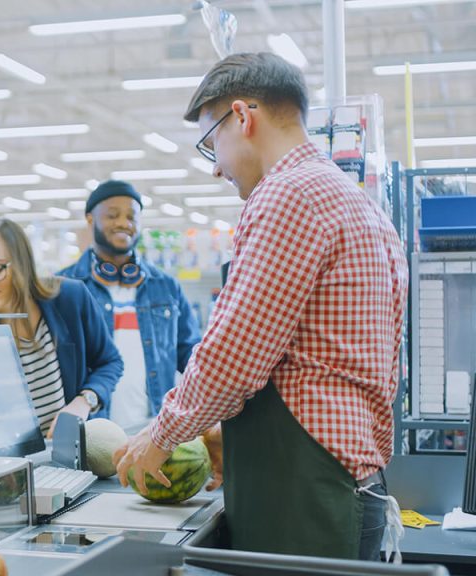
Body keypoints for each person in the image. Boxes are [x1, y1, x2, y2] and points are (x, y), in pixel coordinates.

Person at [113, 52, 408, 561]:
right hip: (346, 481)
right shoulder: (357, 201)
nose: (216, 170)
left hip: (303, 498)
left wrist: (160, 438)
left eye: (211, 146)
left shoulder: (286, 195)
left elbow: (233, 355)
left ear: (243, 117)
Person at [0, 218, 122, 437]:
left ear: (21, 264)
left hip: (69, 457)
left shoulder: (69, 299)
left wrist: (84, 401)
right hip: (4, 463)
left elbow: (109, 362)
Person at [59, 180, 201, 432]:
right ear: (90, 219)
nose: (124, 223)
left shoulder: (166, 286)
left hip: (155, 430)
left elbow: (190, 355)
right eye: (113, 215)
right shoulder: (66, 287)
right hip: (92, 430)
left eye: (131, 216)